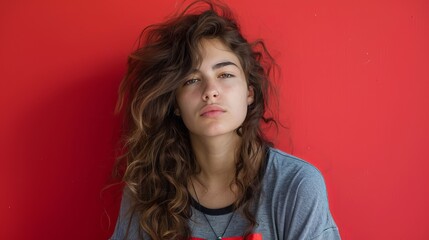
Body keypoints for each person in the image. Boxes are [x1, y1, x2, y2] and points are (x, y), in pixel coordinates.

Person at [111, 0, 340, 239]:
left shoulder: (295, 186)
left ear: (249, 92)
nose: (210, 91)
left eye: (225, 74)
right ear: (176, 104)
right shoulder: (147, 188)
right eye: (191, 79)